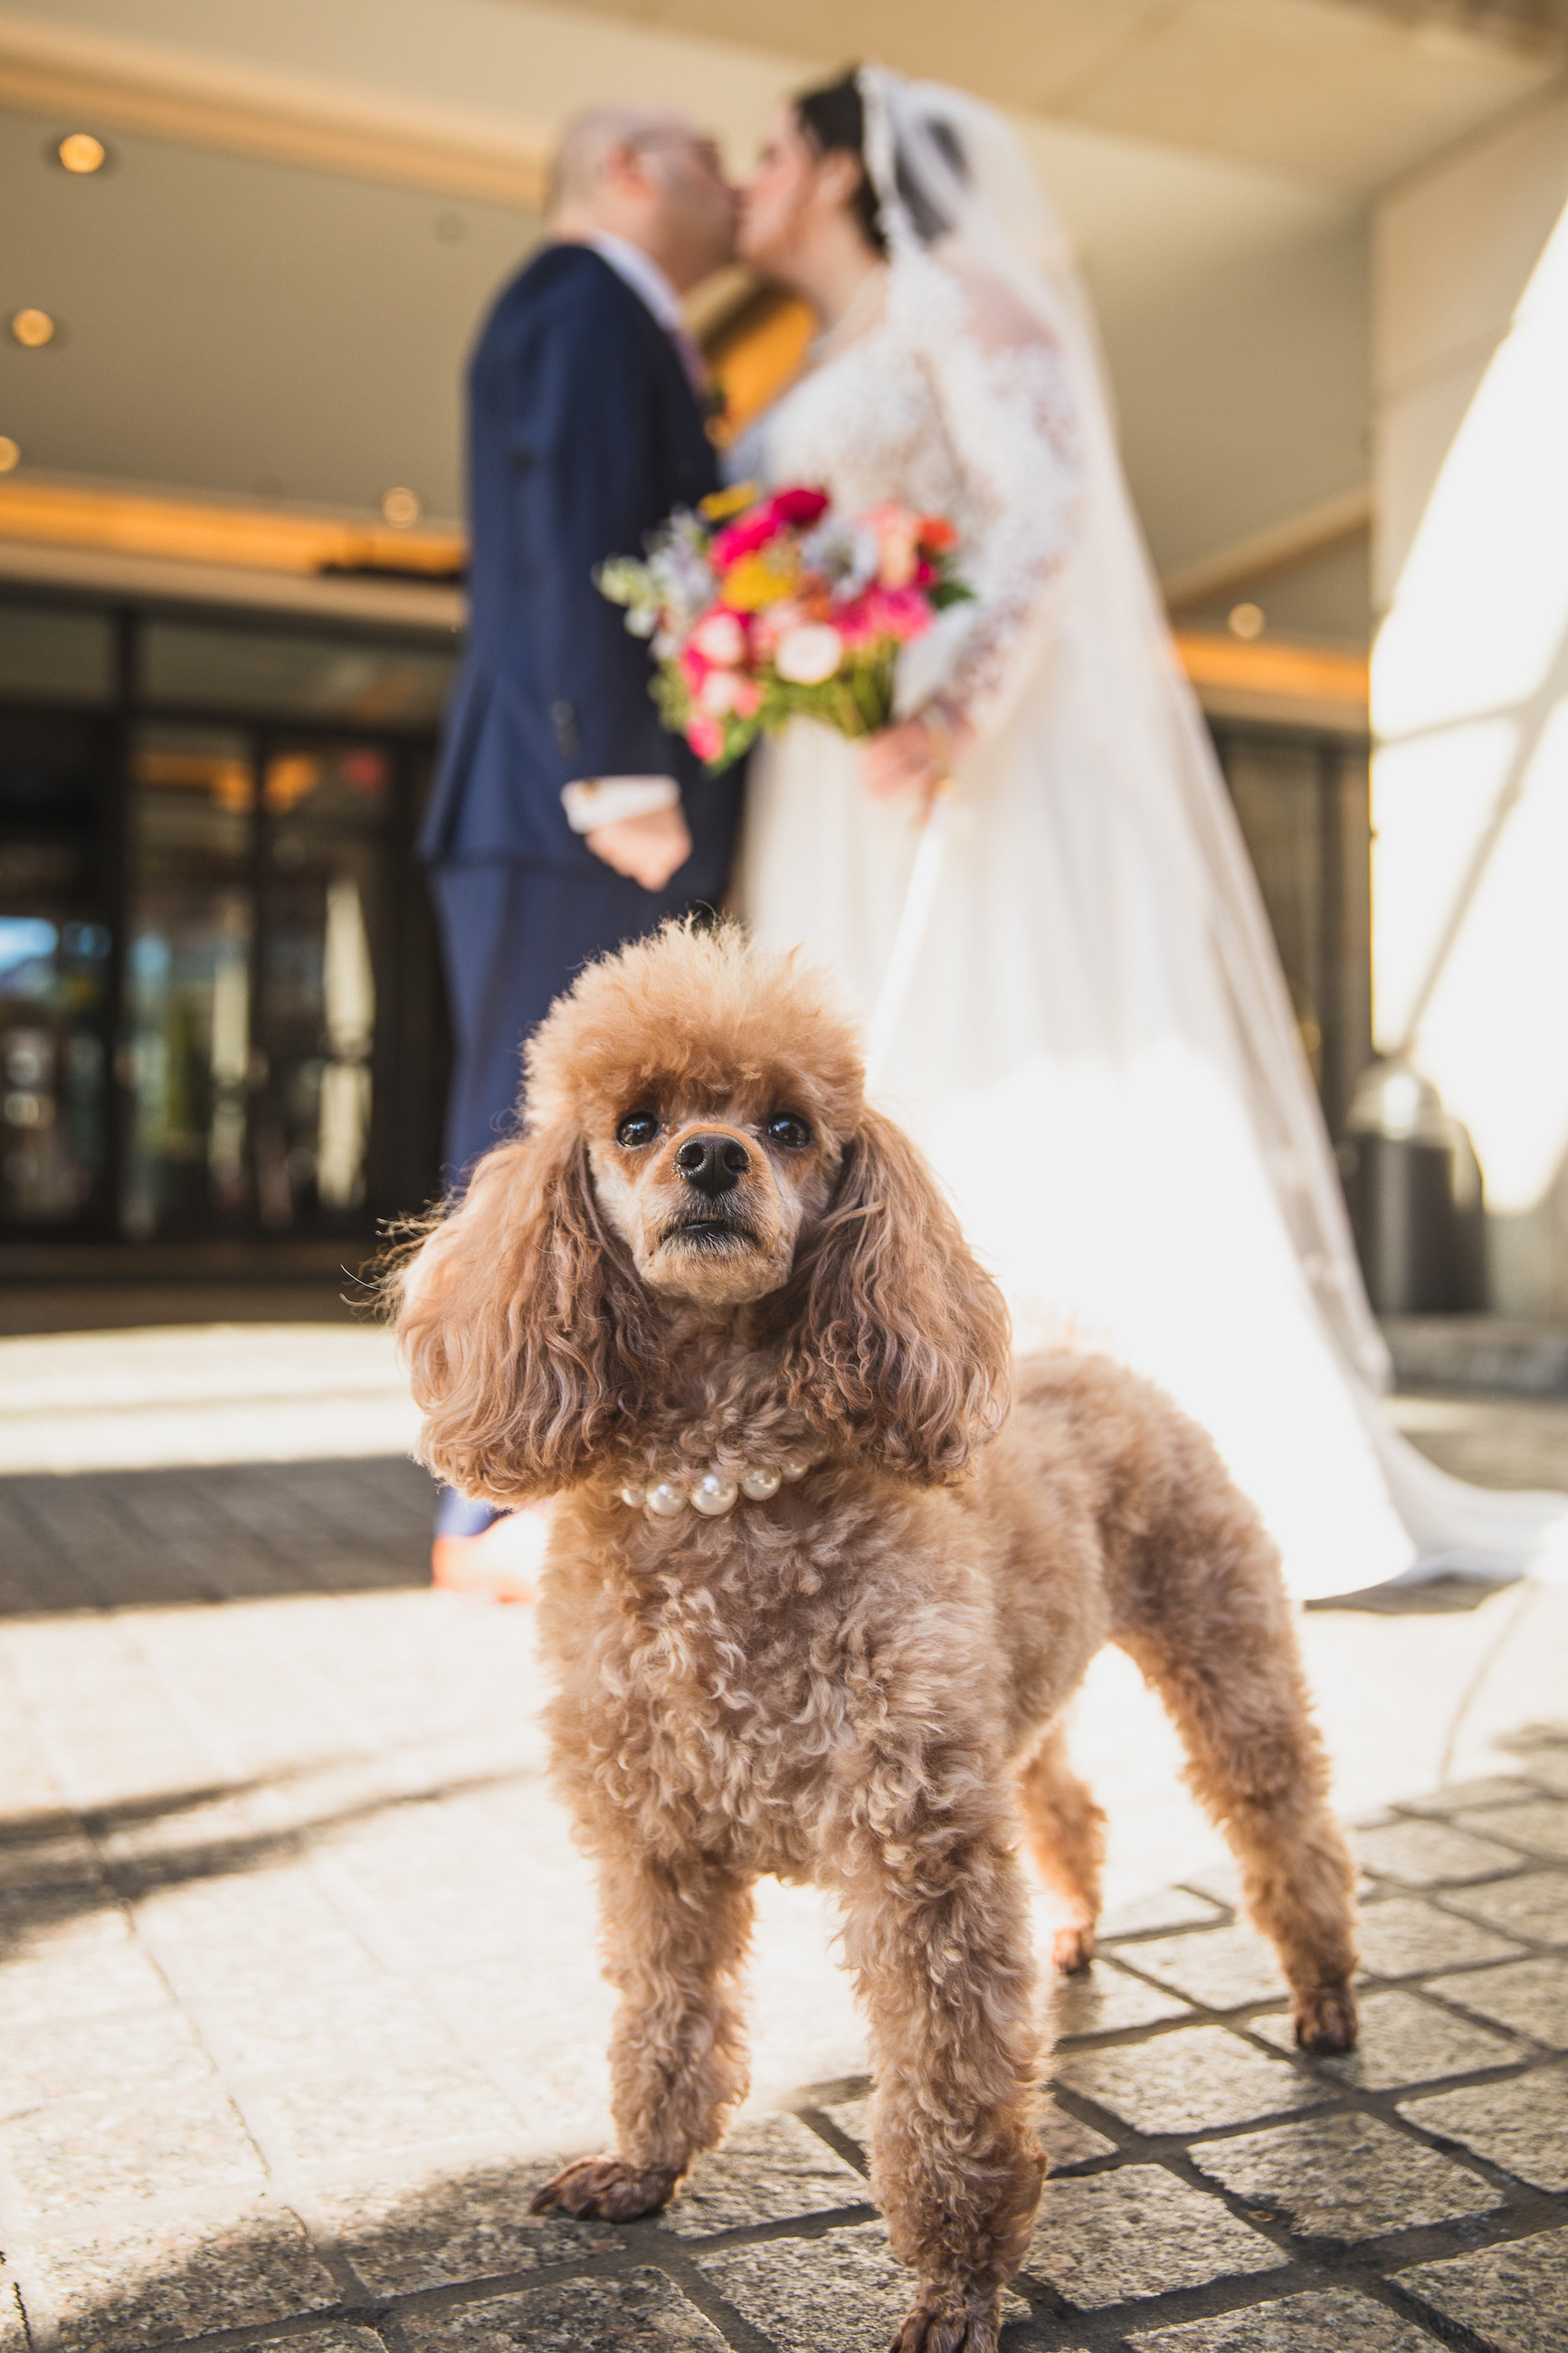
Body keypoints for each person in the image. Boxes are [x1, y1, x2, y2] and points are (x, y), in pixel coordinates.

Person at [730, 65, 1567, 1603]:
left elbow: (1044, 505)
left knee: (1016, 1067)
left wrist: (950, 710)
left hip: (965, 770)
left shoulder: (960, 296)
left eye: (775, 149)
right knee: (874, 1081)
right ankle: (896, 1454)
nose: (750, 176)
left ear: (849, 168)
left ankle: (1145, 1475)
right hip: (837, 762)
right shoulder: (829, 340)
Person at [419, 103, 743, 1593]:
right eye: (707, 162)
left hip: (571, 805)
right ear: (627, 173)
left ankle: (523, 1482)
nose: (733, 189)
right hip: (573, 802)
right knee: (529, 1146)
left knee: (547, 1134)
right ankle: (487, 1501)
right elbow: (564, 534)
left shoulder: (627, 318)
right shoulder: (577, 302)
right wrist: (612, 765)